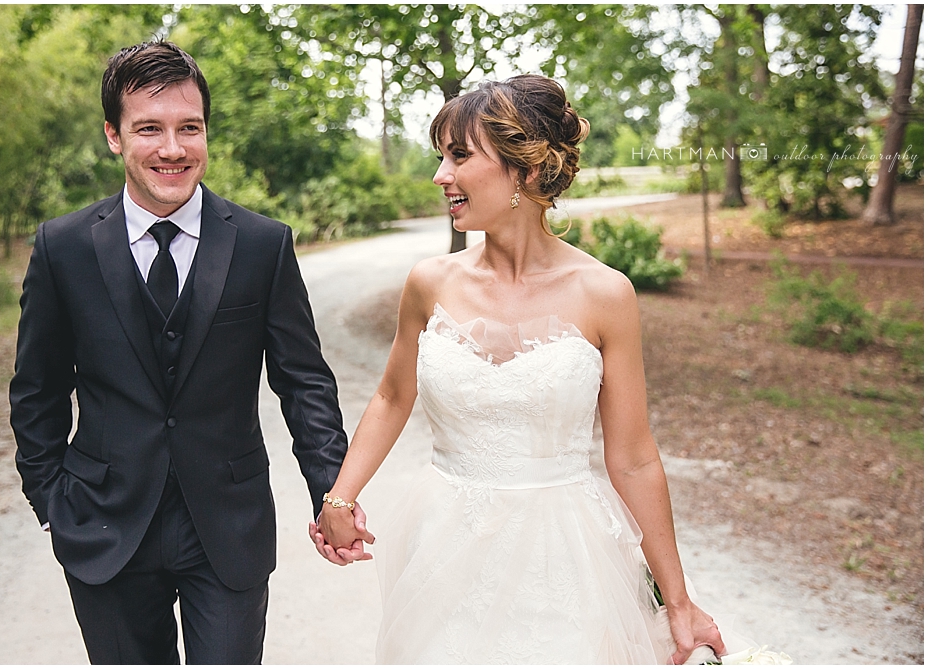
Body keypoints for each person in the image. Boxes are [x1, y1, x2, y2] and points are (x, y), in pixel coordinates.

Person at [310, 75, 728, 663]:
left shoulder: (605, 294)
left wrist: (679, 602)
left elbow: (632, 456)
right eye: (440, 156)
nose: (440, 176)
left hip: (565, 558)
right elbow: (391, 397)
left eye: (459, 156)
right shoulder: (429, 283)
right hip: (444, 549)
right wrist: (340, 499)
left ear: (526, 171)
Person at [10, 40, 370, 664]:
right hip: (103, 525)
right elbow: (36, 390)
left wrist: (329, 493)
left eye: (189, 128)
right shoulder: (62, 248)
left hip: (228, 525)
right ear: (114, 136)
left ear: (206, 133)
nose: (173, 149)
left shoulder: (262, 245)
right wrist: (51, 502)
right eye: (149, 128)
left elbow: (304, 382)